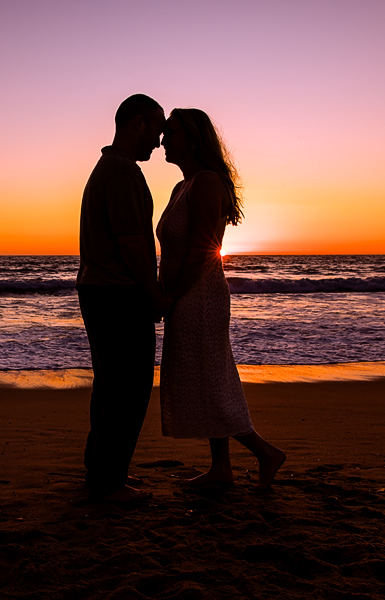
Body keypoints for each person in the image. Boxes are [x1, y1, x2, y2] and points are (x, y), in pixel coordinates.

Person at [157, 108, 285, 492]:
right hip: (187, 295)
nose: (164, 140)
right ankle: (221, 467)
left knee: (210, 380)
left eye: (172, 133)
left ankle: (265, 452)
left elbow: (201, 250)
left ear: (193, 137)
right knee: (206, 377)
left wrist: (171, 296)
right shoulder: (182, 186)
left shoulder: (207, 182)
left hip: (200, 297)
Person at [76, 94, 170, 503]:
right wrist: (156, 298)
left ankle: (100, 470)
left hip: (99, 291)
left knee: (111, 384)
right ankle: (109, 482)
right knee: (129, 388)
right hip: (116, 294)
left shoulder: (107, 168)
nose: (160, 139)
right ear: (137, 124)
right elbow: (133, 246)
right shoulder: (123, 173)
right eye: (156, 128)